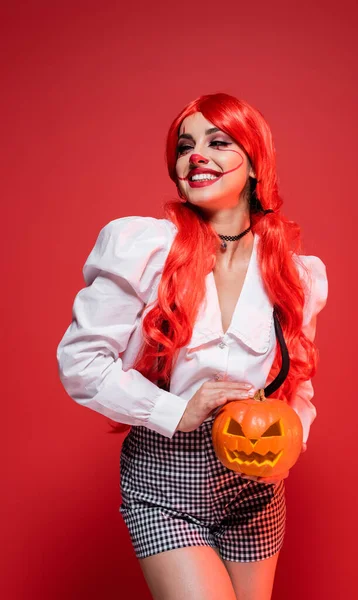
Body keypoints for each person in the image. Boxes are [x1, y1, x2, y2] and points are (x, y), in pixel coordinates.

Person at [56, 92, 328, 600]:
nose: (195, 155)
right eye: (185, 146)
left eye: (218, 142)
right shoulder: (145, 248)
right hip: (164, 474)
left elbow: (301, 387)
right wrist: (175, 410)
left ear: (254, 163)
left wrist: (290, 442)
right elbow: (80, 363)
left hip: (256, 484)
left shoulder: (295, 275)